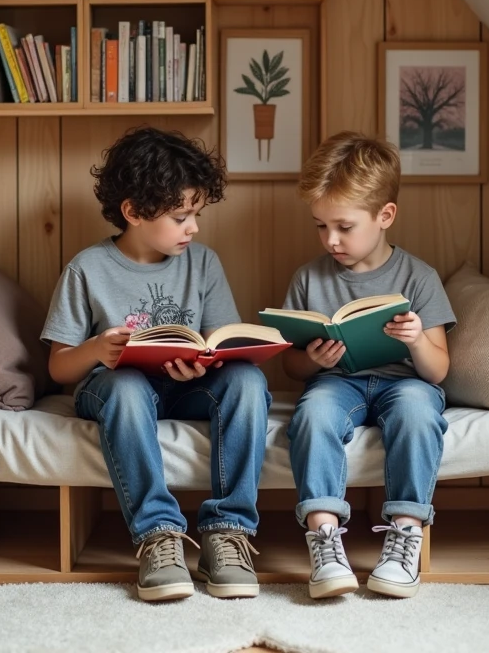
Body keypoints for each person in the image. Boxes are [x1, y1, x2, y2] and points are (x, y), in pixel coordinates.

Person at [41, 126, 271, 602]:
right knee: (124, 386)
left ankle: (227, 534)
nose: (194, 227)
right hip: (114, 388)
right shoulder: (88, 268)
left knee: (247, 380)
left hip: (184, 386)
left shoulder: (203, 263)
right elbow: (59, 369)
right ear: (133, 212)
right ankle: (157, 538)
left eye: (197, 214)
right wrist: (96, 350)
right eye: (181, 216)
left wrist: (206, 362)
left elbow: (221, 342)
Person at [281, 131, 456, 600]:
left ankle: (405, 534)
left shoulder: (418, 276)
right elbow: (291, 369)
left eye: (343, 226)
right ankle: (324, 540)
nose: (331, 240)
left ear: (385, 216)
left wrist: (417, 339)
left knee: (420, 414)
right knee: (313, 416)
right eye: (321, 226)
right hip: (337, 383)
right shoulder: (308, 277)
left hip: (405, 384)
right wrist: (311, 359)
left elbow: (438, 371)